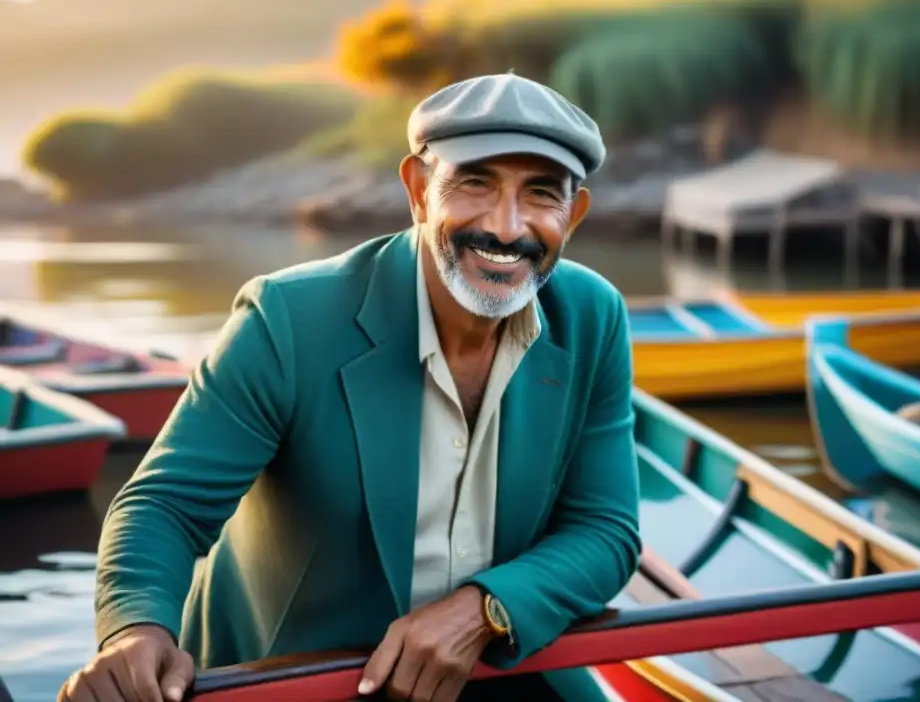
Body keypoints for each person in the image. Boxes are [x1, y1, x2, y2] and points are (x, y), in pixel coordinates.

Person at [59, 73, 641, 702]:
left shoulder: (593, 314)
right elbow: (165, 507)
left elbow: (605, 528)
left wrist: (485, 609)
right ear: (419, 191)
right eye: (475, 183)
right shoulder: (286, 319)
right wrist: (136, 631)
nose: (506, 227)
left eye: (540, 194)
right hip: (294, 679)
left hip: (500, 663)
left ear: (573, 214)